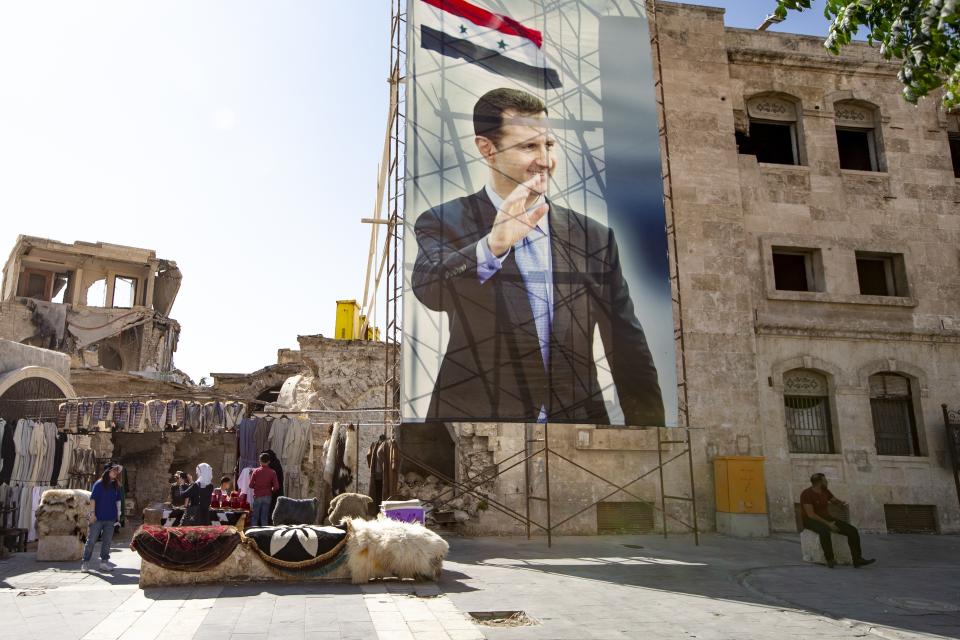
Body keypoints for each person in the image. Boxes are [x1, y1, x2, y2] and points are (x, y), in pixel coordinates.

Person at [411, 87, 663, 425]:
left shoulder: (595, 238)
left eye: (548, 145)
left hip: (580, 432)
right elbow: (431, 289)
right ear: (488, 149)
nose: (545, 159)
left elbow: (627, 345)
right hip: (472, 433)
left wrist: (651, 436)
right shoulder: (443, 221)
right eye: (529, 146)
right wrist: (493, 246)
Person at [801, 473, 876, 568]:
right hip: (810, 520)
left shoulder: (825, 491)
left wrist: (840, 503)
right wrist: (828, 524)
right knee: (824, 531)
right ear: (819, 482)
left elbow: (833, 500)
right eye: (825, 480)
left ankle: (857, 559)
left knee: (852, 531)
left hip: (826, 518)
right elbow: (811, 515)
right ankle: (830, 559)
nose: (827, 481)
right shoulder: (806, 494)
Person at [81, 463, 122, 572]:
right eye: (114, 470)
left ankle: (104, 563)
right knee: (91, 540)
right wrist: (92, 514)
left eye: (116, 471)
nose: (116, 473)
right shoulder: (99, 484)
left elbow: (118, 501)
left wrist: (118, 516)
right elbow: (93, 499)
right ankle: (85, 563)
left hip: (110, 518)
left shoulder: (116, 485)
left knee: (107, 541)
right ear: (108, 471)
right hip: (97, 517)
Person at [249, 452, 280, 527]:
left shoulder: (256, 471)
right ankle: (264, 535)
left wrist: (256, 486)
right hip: (267, 496)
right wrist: (270, 489)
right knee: (264, 517)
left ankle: (252, 534)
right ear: (269, 461)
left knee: (255, 517)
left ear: (260, 461)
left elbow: (251, 485)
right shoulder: (272, 472)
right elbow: (276, 487)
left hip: (257, 496)